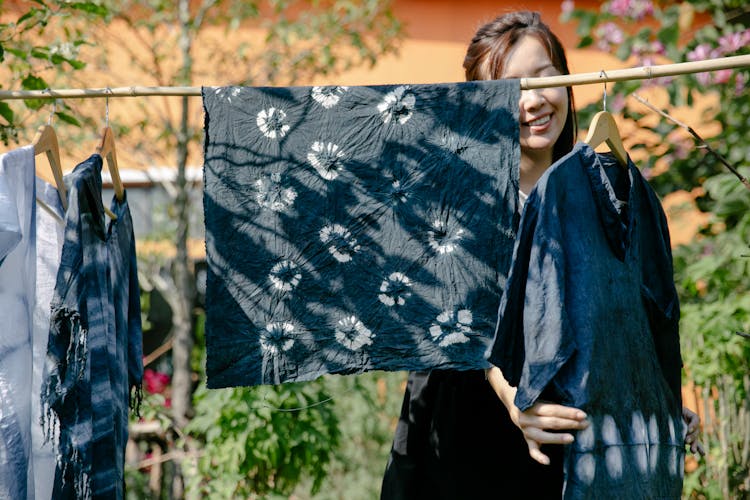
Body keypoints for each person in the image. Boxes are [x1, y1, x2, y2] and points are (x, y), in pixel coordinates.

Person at [381, 11, 702, 499]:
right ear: (484, 104)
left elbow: (624, 316)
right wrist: (516, 403)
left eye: (546, 79)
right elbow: (463, 318)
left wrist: (653, 398)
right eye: (513, 88)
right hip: (468, 423)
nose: (533, 101)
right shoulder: (460, 196)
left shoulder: (599, 192)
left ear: (569, 84)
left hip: (564, 425)